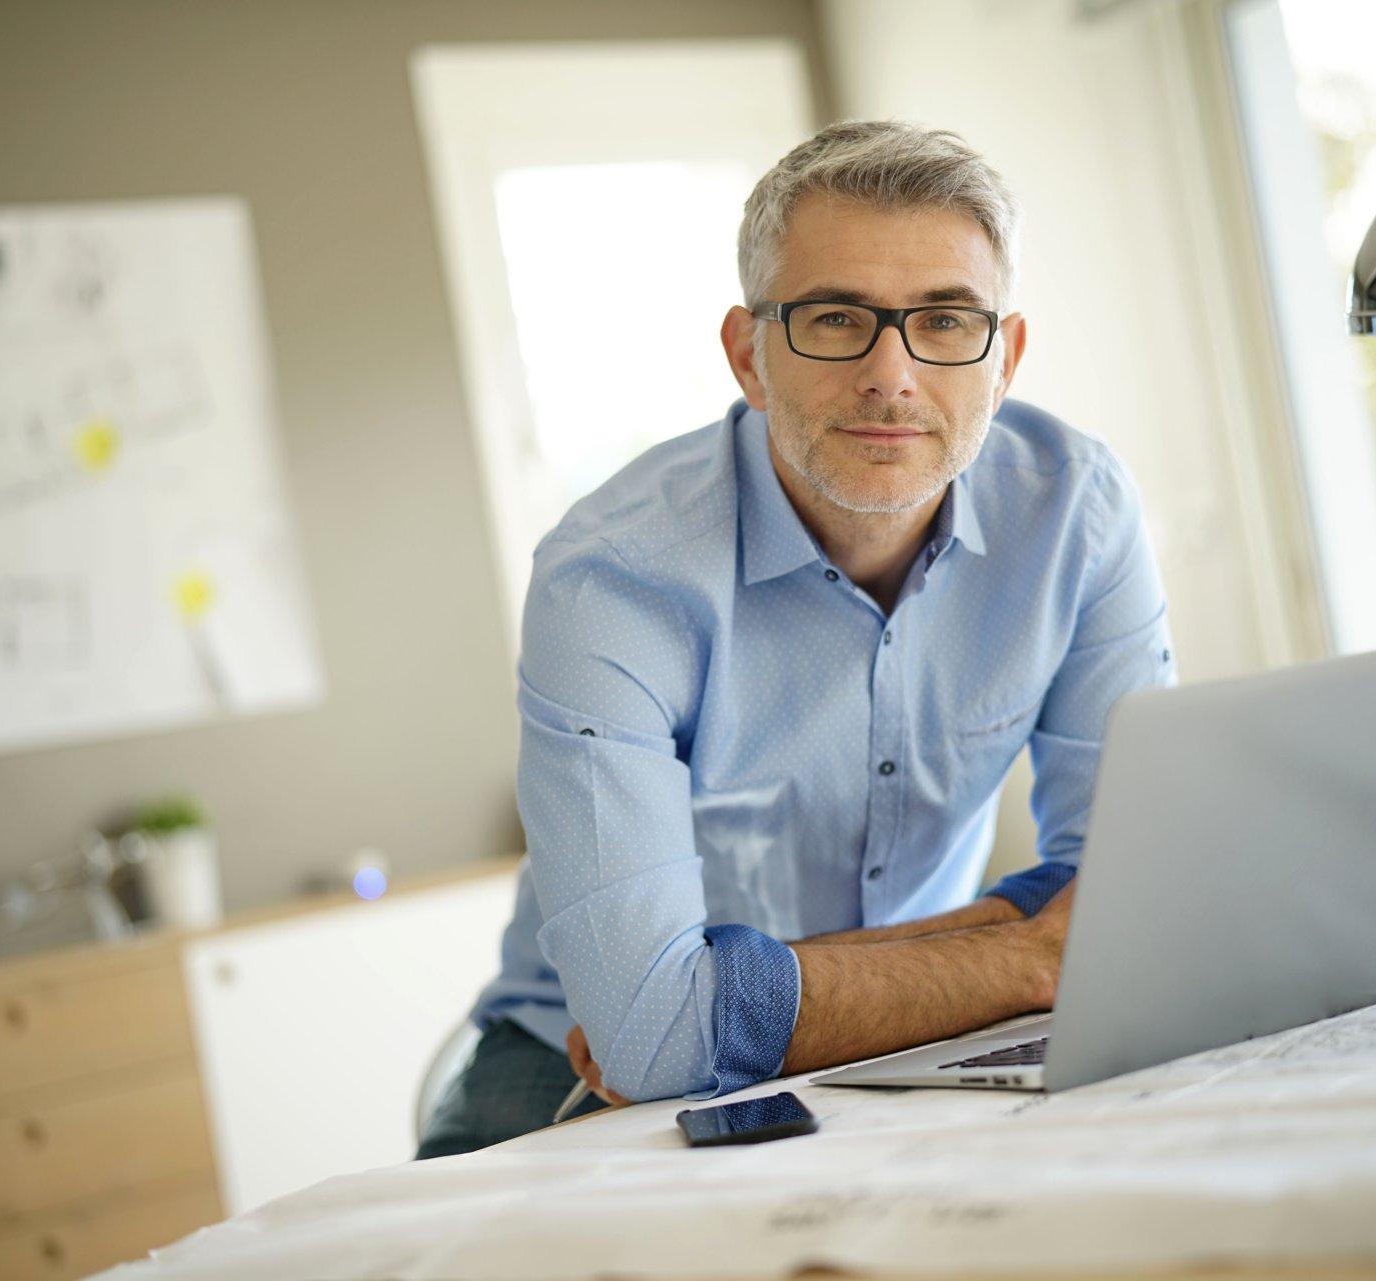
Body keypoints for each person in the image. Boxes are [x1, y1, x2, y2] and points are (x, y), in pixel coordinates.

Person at [415, 119, 1176, 1159]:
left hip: (915, 1044)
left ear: (1005, 359)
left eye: (946, 321)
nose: (893, 375)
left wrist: (730, 998)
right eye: (834, 318)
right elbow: (645, 1039)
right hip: (564, 1081)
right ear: (749, 355)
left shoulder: (1077, 512)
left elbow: (1135, 890)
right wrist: (1030, 954)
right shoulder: (612, 577)